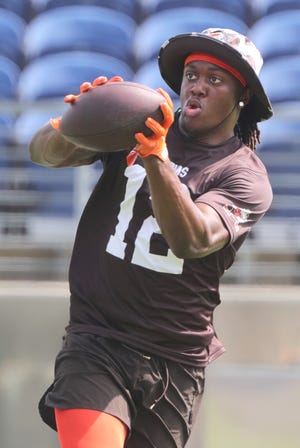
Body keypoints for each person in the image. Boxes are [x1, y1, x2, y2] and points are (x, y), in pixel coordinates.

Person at [29, 28, 273, 448]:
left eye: (215, 80)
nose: (197, 86)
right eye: (192, 74)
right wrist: (75, 121)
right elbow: (42, 153)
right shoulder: (138, 124)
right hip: (97, 338)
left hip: (174, 357)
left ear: (242, 95)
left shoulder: (244, 176)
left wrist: (157, 159)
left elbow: (193, 240)